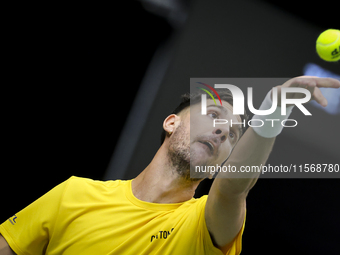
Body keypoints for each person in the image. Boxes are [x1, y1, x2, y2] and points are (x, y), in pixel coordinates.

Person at [1, 76, 339, 255]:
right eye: (213, 116)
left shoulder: (204, 224)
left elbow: (233, 187)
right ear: (171, 123)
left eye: (234, 134)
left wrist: (274, 109)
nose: (222, 130)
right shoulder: (73, 193)